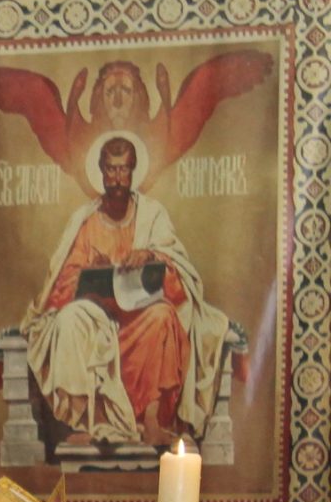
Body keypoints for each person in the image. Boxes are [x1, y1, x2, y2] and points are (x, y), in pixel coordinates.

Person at [24, 134, 232, 447]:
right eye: (111, 169)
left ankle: (152, 421)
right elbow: (65, 280)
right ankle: (88, 422)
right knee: (69, 320)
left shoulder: (152, 215)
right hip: (97, 318)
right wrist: (93, 271)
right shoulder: (86, 221)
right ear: (101, 171)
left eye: (123, 169)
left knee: (163, 316)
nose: (117, 178)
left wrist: (150, 255)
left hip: (138, 317)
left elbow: (179, 277)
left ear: (133, 171)